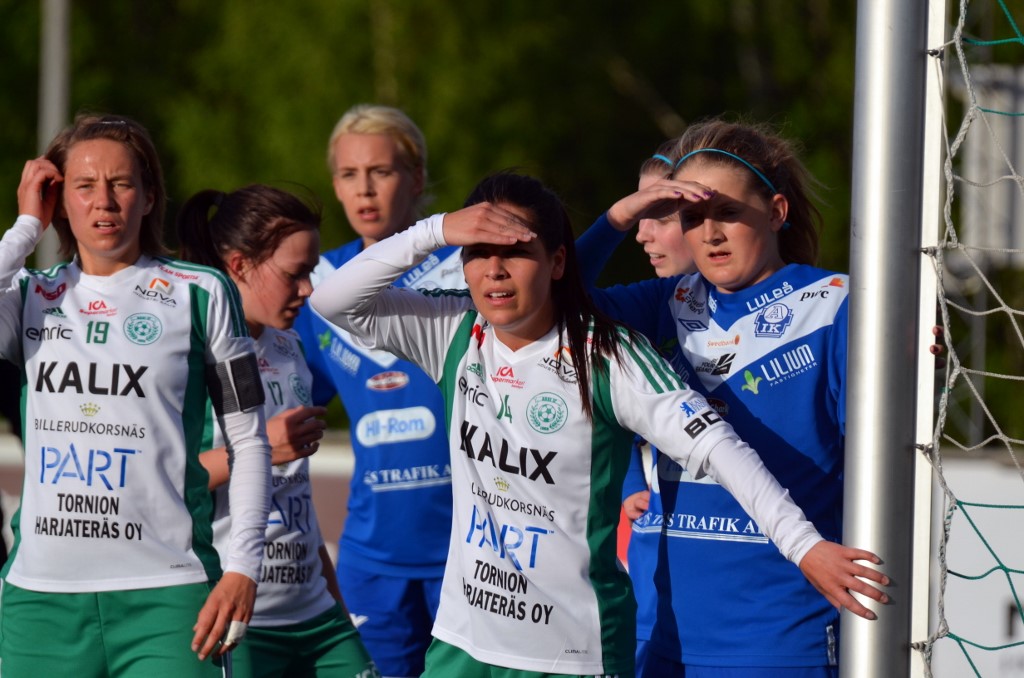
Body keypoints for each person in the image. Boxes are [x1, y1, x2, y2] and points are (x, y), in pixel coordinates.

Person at [309, 171, 890, 677]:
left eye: (515, 252)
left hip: (571, 652)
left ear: (558, 261)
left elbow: (718, 447)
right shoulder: (454, 330)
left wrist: (805, 547)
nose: (495, 270)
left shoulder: (608, 354)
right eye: (478, 253)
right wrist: (436, 230)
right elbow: (331, 300)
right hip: (464, 643)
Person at [576, 118, 860, 676]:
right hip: (664, 635)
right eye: (692, 218)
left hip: (778, 638)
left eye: (727, 212)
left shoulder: (836, 308)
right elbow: (554, 300)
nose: (709, 234)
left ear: (776, 212)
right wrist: (618, 217)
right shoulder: (666, 302)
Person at [0, 113, 271, 675]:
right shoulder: (28, 295)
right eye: (84, 185)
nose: (104, 201)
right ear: (59, 201)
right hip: (41, 598)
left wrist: (244, 566)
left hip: (167, 594)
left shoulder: (201, 292)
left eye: (121, 183)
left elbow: (249, 440)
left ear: (149, 197)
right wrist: (25, 227)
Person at [177, 184, 379, 678]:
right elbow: (156, 484)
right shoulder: (186, 353)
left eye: (311, 272)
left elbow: (296, 496)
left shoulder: (290, 348)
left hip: (317, 615)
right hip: (239, 617)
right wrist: (262, 447)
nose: (308, 289)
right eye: (295, 274)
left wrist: (334, 600)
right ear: (240, 265)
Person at [293, 103, 463, 677]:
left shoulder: (469, 266)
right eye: (348, 174)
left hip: (471, 552)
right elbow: (288, 401)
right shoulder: (316, 283)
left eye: (381, 171)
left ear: (416, 178)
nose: (364, 189)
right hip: (371, 557)